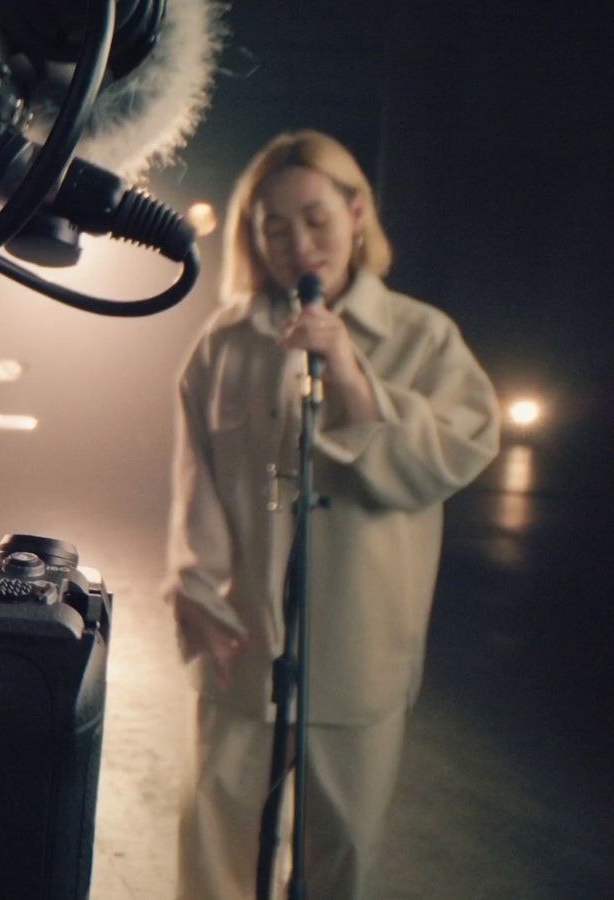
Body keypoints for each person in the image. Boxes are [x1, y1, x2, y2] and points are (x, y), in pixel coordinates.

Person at [166, 130, 500, 899]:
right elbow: (199, 485)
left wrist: (350, 372)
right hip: (242, 643)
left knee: (342, 848)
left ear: (357, 212)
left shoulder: (423, 338)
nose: (298, 244)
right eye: (273, 227)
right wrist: (196, 590)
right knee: (214, 837)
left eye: (315, 218)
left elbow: (450, 458)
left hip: (360, 651)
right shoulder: (226, 341)